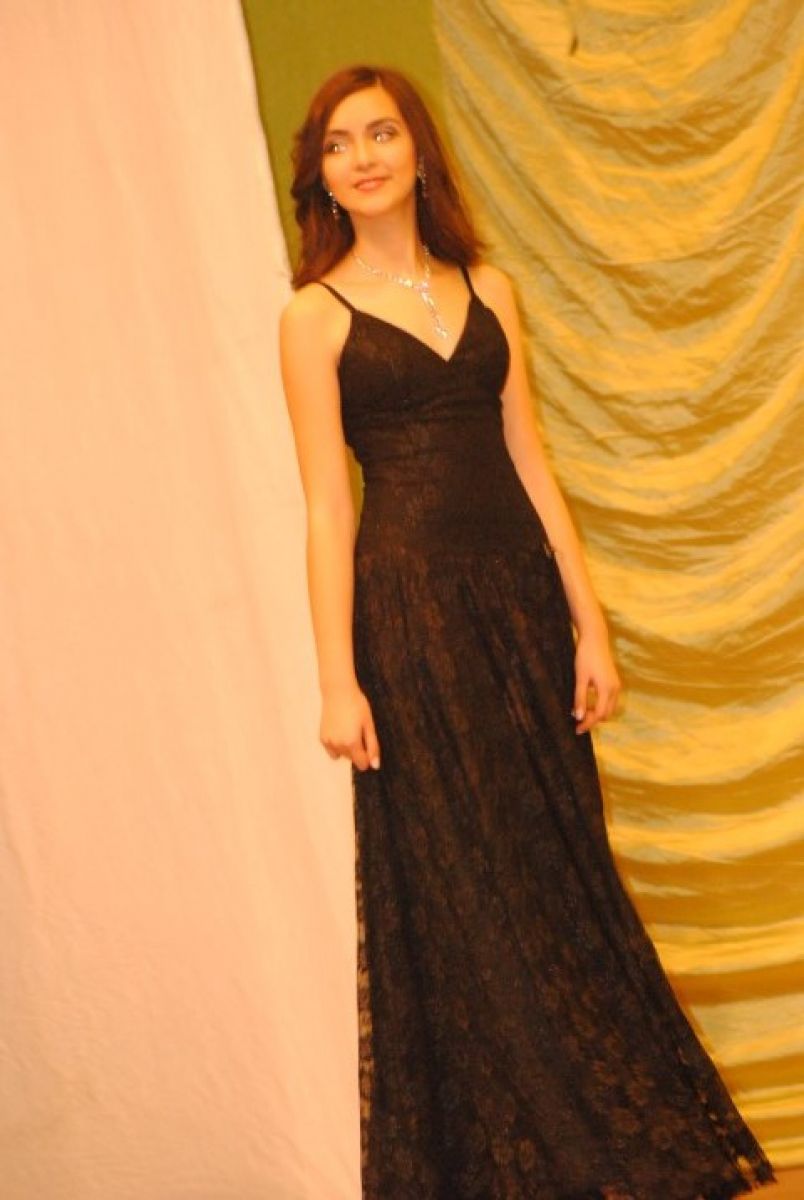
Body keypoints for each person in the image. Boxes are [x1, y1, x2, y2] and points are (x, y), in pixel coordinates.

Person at [279, 64, 776, 1200]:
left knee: (558, 869)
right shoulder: (311, 318)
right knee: (463, 880)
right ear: (321, 179)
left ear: (417, 151)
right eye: (340, 144)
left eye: (381, 133)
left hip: (521, 608)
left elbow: (533, 466)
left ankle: (604, 1143)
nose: (363, 157)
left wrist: (590, 627)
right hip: (410, 618)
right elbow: (325, 507)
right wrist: (337, 678)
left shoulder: (489, 287)